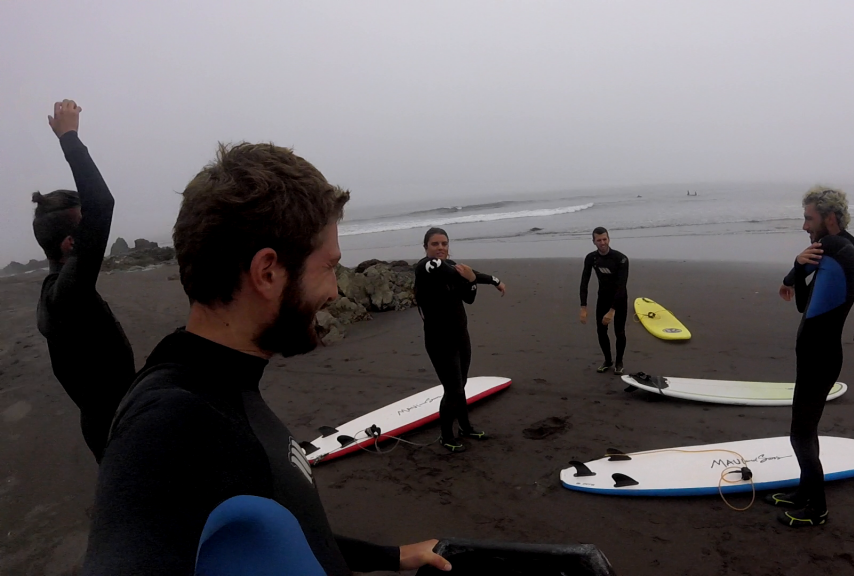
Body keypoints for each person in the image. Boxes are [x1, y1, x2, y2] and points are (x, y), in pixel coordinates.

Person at [81, 143, 450, 575]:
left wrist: (392, 556)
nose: (333, 290)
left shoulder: (211, 388)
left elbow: (285, 532)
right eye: (329, 266)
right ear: (267, 272)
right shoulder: (169, 425)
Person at [32, 99, 135, 462]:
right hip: (116, 429)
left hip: (108, 423)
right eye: (84, 228)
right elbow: (102, 204)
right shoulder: (67, 296)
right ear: (71, 244)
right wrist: (69, 137)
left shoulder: (54, 293)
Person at [768, 186, 854, 528]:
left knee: (801, 433)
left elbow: (799, 271)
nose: (805, 226)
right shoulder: (844, 248)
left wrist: (793, 269)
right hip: (815, 354)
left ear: (830, 218)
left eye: (810, 218)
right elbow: (801, 305)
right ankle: (804, 492)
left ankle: (817, 508)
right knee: (804, 429)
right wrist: (797, 272)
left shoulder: (838, 247)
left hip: (820, 356)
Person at [414, 227, 506, 453]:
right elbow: (454, 272)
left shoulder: (454, 268)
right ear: (426, 247)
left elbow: (470, 297)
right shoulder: (425, 267)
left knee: (461, 385)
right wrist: (481, 278)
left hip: (461, 336)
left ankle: (465, 427)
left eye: (444, 244)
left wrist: (478, 280)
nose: (440, 248)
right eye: (435, 244)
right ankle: (446, 436)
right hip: (439, 340)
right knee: (453, 389)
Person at [579, 227, 629, 375]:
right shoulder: (591, 258)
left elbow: (621, 286)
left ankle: (619, 362)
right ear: (593, 241)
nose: (602, 242)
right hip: (603, 298)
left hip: (619, 299)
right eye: (599, 240)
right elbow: (584, 282)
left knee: (619, 332)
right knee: (601, 331)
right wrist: (583, 306)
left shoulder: (621, 259)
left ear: (609, 239)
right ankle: (608, 360)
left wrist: (612, 311)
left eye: (604, 239)